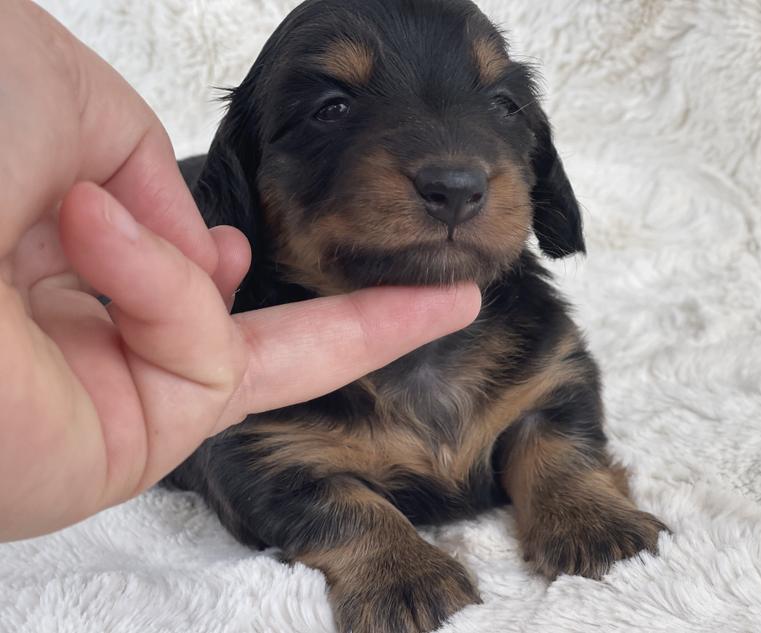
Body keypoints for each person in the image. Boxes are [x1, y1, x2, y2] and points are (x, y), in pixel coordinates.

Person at [0, 0, 480, 542]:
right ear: (245, 171)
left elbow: (557, 407)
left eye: (503, 105)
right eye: (333, 108)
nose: (457, 175)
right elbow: (250, 471)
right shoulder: (219, 359)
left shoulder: (532, 336)